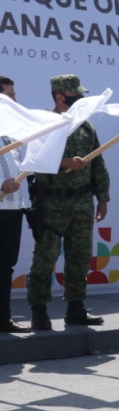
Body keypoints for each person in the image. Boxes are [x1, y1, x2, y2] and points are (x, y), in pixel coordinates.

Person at [27, 74, 110, 330]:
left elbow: (98, 164)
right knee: (45, 258)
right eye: (75, 95)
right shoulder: (45, 124)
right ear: (60, 96)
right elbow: (35, 164)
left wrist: (103, 197)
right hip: (52, 205)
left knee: (80, 258)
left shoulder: (85, 127)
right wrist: (66, 163)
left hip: (82, 203)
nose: (80, 99)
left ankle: (76, 308)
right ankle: (39, 310)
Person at [1, 78, 29, 331]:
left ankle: (3, 318)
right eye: (11, 96)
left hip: (12, 208)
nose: (16, 101)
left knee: (6, 266)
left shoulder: (13, 131)